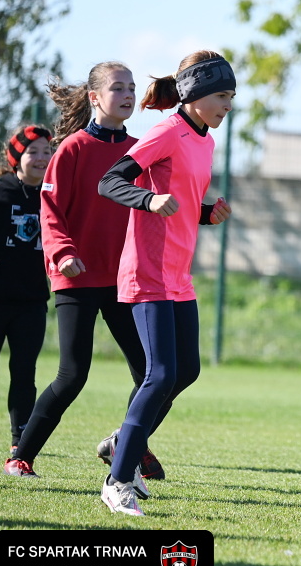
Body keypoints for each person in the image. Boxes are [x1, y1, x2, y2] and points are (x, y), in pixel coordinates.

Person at [4, 62, 165, 481]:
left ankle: (126, 444)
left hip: (124, 278)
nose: (128, 95)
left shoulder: (138, 150)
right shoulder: (73, 148)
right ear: (95, 97)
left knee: (155, 374)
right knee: (72, 375)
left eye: (132, 88)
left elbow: (157, 202)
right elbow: (50, 210)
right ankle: (21, 456)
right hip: (76, 276)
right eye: (118, 88)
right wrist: (62, 253)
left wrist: (204, 209)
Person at [97, 50, 234, 516]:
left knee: (186, 371)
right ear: (195, 94)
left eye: (231, 96)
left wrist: (205, 214)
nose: (227, 105)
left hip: (179, 274)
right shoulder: (167, 131)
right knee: (159, 376)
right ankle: (118, 481)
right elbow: (110, 181)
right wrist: (148, 200)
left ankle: (123, 442)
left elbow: (180, 202)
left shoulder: (205, 141)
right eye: (221, 95)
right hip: (148, 270)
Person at [0, 125, 53, 458]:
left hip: (32, 301)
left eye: (47, 151)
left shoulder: (53, 194)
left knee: (24, 373)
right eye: (33, 151)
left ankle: (20, 440)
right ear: (16, 157)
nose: (42, 158)